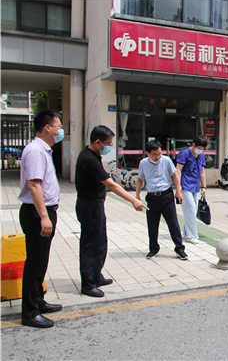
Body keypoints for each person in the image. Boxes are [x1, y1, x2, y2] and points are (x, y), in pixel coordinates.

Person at [75, 125, 148, 298]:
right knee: (90, 245)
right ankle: (87, 283)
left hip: (97, 205)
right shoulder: (89, 159)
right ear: (98, 142)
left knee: (100, 242)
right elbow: (111, 184)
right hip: (89, 206)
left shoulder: (94, 155)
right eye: (107, 143)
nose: (109, 147)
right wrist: (133, 200)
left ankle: (95, 275)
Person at [18, 109, 64, 328]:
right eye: (59, 126)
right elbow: (34, 185)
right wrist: (44, 217)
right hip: (38, 213)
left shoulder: (44, 150)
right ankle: (30, 312)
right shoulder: (35, 151)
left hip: (43, 211)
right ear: (48, 128)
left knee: (41, 261)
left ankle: (38, 301)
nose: (61, 130)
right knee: (35, 263)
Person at [136, 140, 188, 260]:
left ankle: (180, 249)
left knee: (173, 224)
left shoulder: (166, 160)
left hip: (166, 197)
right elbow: (140, 179)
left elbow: (175, 175)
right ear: (147, 153)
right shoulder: (143, 163)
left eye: (159, 153)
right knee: (152, 225)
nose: (158, 157)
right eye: (154, 154)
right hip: (152, 197)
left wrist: (178, 191)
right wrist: (137, 196)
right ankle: (153, 249)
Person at [175, 136, 207, 244]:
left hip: (196, 187)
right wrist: (178, 186)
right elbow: (178, 170)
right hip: (185, 185)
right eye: (198, 147)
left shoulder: (201, 156)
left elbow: (202, 172)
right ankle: (192, 235)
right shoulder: (184, 153)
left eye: (202, 148)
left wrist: (204, 187)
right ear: (193, 144)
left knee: (193, 211)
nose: (200, 150)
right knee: (190, 209)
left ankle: (186, 233)